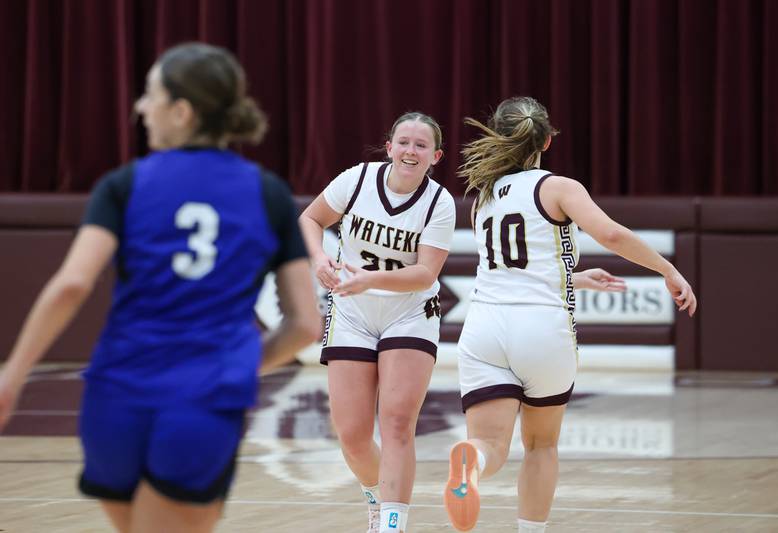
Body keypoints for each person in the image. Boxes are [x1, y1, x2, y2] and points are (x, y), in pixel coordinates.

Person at [0, 42, 320, 533]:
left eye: (149, 95)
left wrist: (13, 375)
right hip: (204, 400)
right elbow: (304, 325)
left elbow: (71, 284)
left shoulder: (124, 184)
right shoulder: (268, 193)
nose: (139, 107)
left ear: (182, 111)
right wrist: (233, 367)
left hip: (115, 393)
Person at [443, 96, 697, 533]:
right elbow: (611, 233)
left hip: (484, 327)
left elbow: (510, 268)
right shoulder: (559, 187)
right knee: (541, 445)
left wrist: (573, 276)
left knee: (489, 443)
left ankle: (472, 464)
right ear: (546, 140)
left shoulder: (484, 194)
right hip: (541, 328)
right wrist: (667, 268)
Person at [299, 112, 456, 533]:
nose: (410, 151)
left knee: (398, 422)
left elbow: (425, 274)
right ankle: (376, 494)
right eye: (403, 142)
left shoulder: (439, 202)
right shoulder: (357, 179)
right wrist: (319, 258)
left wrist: (372, 280)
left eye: (421, 146)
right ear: (389, 147)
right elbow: (310, 219)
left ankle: (392, 524)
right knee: (351, 434)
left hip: (409, 312)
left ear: (435, 156)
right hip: (352, 312)